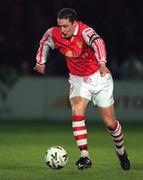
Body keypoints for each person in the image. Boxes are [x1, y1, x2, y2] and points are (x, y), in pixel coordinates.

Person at [34, 8, 130, 171]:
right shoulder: (54, 33)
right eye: (60, 26)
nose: (61, 30)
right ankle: (85, 156)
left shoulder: (85, 31)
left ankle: (121, 152)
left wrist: (101, 62)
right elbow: (45, 42)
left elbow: (98, 42)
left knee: (110, 122)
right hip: (78, 79)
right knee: (77, 111)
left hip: (99, 77)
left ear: (74, 23)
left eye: (65, 26)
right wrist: (40, 61)